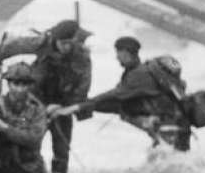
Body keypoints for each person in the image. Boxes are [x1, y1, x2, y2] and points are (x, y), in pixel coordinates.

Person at [0, 19, 93, 173]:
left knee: (62, 148)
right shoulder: (42, 43)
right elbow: (14, 45)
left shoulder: (82, 56)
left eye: (69, 43)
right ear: (55, 40)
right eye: (62, 43)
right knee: (28, 141)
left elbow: (82, 89)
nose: (66, 47)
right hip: (36, 100)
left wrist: (62, 108)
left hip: (62, 104)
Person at [61, 36, 192, 151]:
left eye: (118, 52)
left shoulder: (139, 75)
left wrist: (77, 106)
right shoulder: (134, 72)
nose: (116, 57)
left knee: (170, 163)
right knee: (170, 165)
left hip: (170, 126)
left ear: (125, 53)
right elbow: (117, 105)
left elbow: (112, 96)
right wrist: (82, 105)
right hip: (172, 125)